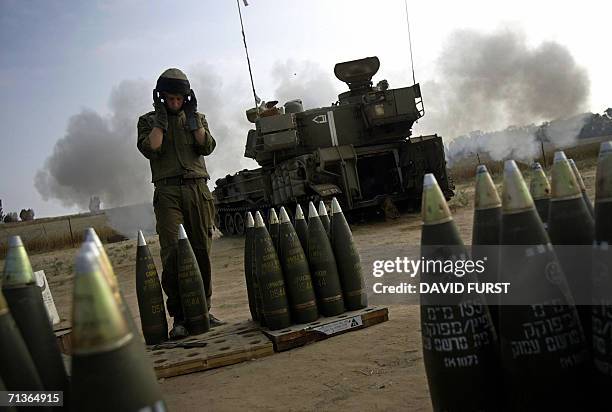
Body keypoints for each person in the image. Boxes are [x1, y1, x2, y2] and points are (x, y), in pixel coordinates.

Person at [137, 68, 223, 339]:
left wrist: (194, 120)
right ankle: (180, 317)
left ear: (186, 98)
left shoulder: (197, 118)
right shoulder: (148, 121)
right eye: (169, 99)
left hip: (198, 189)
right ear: (161, 97)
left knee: (201, 249)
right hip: (168, 193)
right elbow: (152, 148)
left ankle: (202, 309)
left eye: (179, 99)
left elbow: (206, 146)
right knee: (172, 253)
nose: (174, 103)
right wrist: (160, 121)